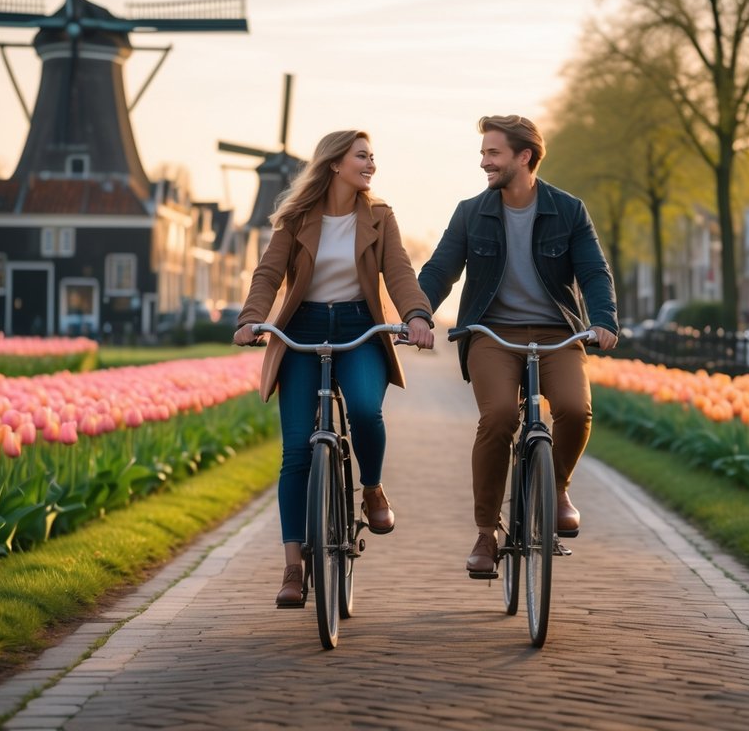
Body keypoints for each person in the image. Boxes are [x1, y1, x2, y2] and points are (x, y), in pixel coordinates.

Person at [234, 130, 434, 606]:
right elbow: (268, 274)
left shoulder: (380, 218)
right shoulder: (297, 218)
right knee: (296, 453)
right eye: (362, 156)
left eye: (372, 157)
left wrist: (417, 316)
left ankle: (372, 489)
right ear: (335, 164)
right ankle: (292, 567)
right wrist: (250, 319)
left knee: (366, 408)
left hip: (358, 326)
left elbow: (399, 272)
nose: (371, 164)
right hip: (301, 329)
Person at [417, 115, 618, 575]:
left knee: (574, 408)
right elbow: (439, 270)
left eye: (493, 153)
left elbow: (593, 273)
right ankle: (486, 533)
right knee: (500, 417)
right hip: (492, 334)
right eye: (484, 152)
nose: (484, 161)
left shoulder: (569, 210)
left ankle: (559, 487)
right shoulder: (471, 212)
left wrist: (604, 320)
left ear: (523, 157)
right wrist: (418, 312)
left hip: (557, 333)